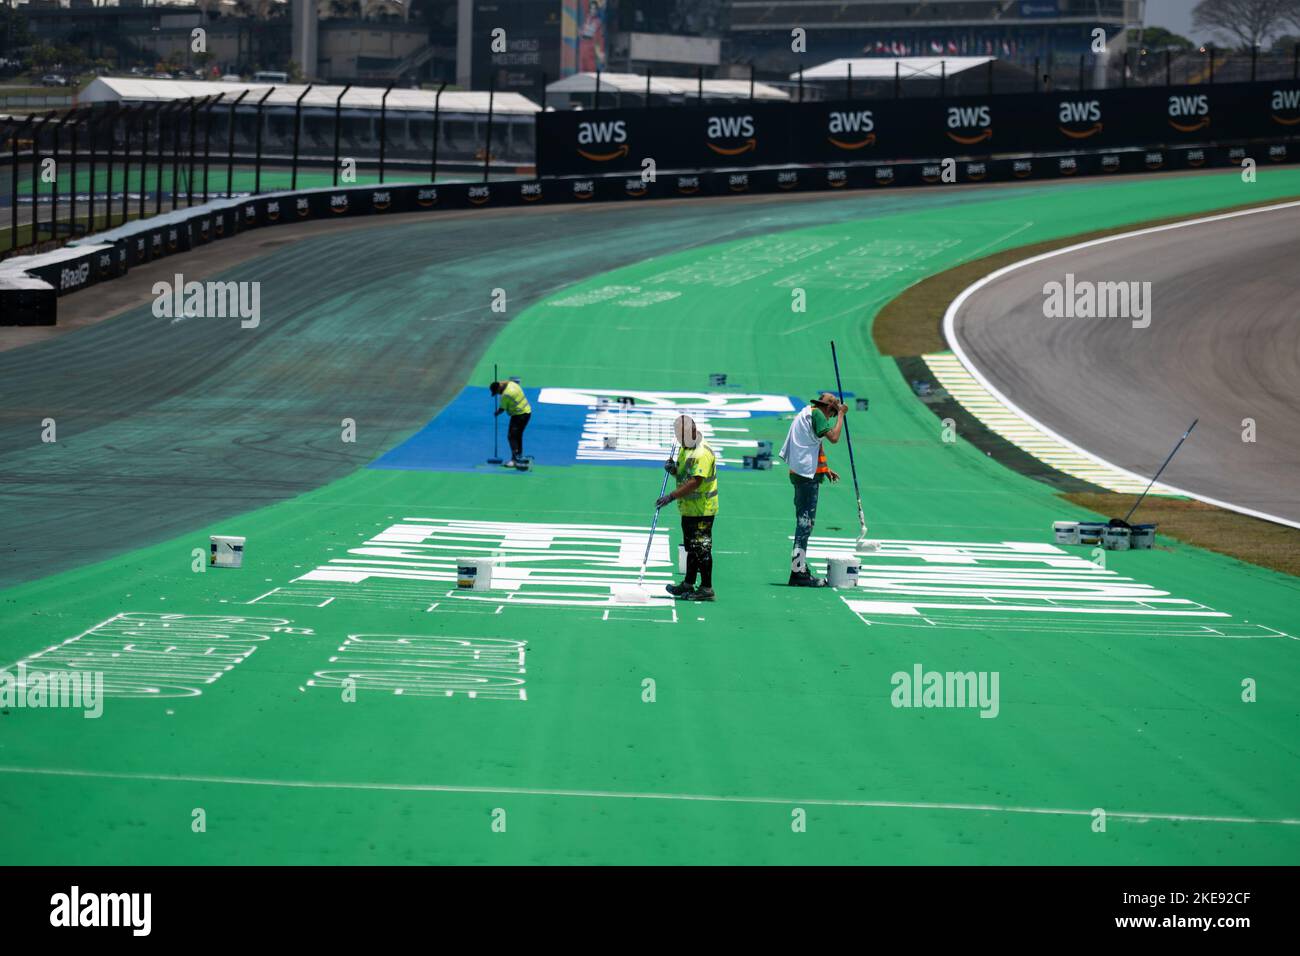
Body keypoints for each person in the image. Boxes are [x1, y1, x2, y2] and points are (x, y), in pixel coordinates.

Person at [779, 392, 845, 587]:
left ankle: (799, 567)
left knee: (804, 522)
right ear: (829, 408)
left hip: (801, 473)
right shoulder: (817, 414)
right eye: (831, 414)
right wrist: (841, 415)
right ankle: (798, 572)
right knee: (805, 524)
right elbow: (834, 437)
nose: (830, 419)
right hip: (806, 477)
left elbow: (814, 444)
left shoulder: (808, 414)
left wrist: (825, 469)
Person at [657, 414, 718, 602]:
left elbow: (694, 482)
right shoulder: (686, 447)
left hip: (702, 510)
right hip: (689, 509)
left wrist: (671, 496)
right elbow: (684, 474)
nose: (679, 439)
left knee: (702, 549)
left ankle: (706, 588)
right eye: (677, 435)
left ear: (693, 430)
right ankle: (688, 583)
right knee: (691, 548)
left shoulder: (701, 453)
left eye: (682, 434)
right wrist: (673, 469)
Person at [491, 378, 531, 467]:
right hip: (527, 412)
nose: (498, 394)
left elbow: (502, 409)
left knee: (511, 437)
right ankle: (519, 457)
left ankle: (514, 460)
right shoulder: (512, 384)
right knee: (518, 436)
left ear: (499, 388)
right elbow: (505, 382)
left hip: (519, 415)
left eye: (497, 392)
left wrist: (496, 413)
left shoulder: (506, 395)